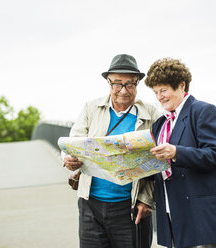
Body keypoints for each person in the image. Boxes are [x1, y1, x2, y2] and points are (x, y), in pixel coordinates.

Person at [63, 54, 161, 248]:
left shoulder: (152, 114)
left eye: (130, 84)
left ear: (137, 84)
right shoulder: (91, 108)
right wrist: (68, 159)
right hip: (90, 205)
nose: (123, 91)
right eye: (117, 84)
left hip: (131, 208)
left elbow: (159, 164)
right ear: (108, 83)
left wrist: (147, 200)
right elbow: (72, 143)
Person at [145, 58, 216, 248]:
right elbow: (160, 169)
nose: (159, 97)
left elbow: (215, 156)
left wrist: (176, 152)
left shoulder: (203, 111)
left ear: (181, 86)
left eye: (163, 90)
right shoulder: (160, 124)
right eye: (155, 92)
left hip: (207, 213)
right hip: (175, 212)